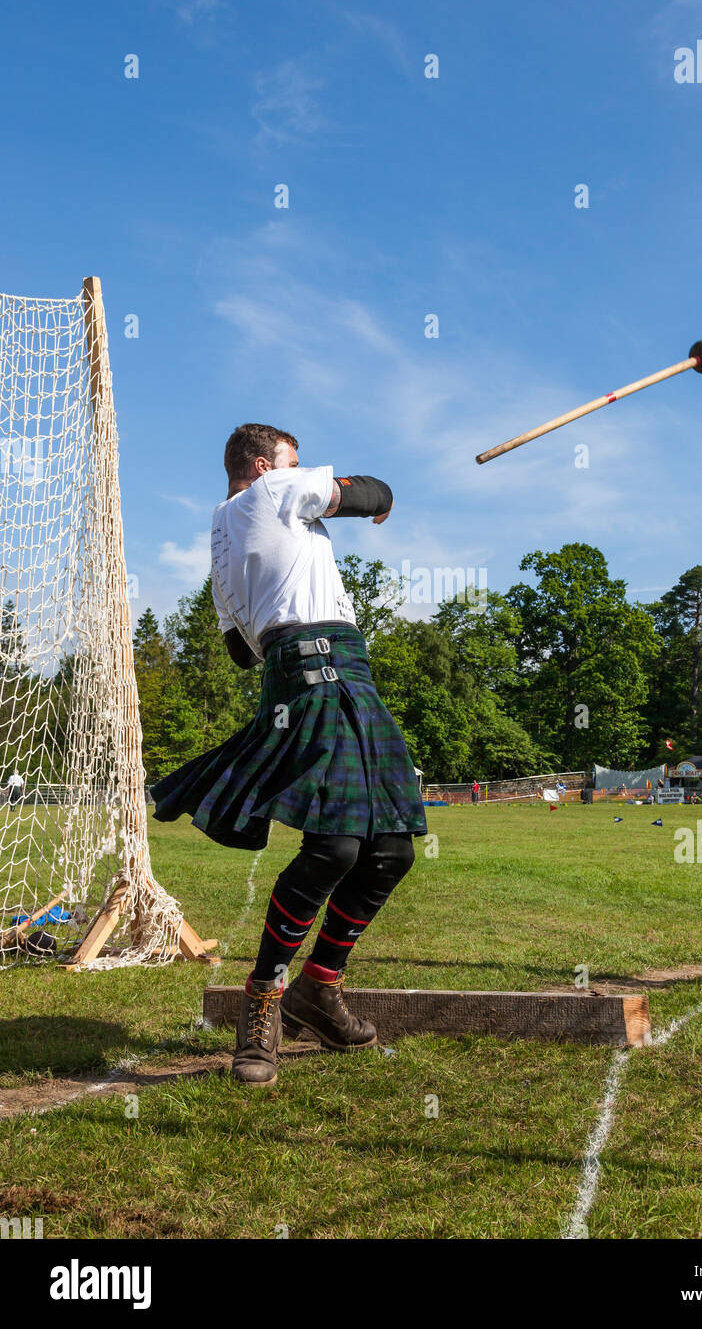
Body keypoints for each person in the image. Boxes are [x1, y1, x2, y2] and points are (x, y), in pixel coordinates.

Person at [151, 424, 427, 1086]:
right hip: (324, 670)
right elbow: (372, 494)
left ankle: (318, 990)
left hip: (313, 673)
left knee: (390, 849)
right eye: (293, 461)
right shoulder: (276, 489)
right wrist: (376, 501)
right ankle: (264, 1001)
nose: (299, 471)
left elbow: (240, 651)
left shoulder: (219, 542)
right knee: (335, 848)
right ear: (261, 464)